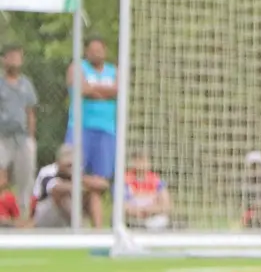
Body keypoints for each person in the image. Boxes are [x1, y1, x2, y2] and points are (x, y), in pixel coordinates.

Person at [66, 36, 116, 226]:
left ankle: (97, 230)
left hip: (106, 131)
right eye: (92, 49)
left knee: (100, 183)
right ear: (86, 52)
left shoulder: (114, 71)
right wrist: (104, 92)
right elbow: (81, 89)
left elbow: (118, 90)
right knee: (70, 174)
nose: (96, 53)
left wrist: (92, 89)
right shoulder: (77, 68)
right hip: (79, 128)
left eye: (99, 49)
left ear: (105, 51)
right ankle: (73, 225)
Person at [28, 143, 105, 228]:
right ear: (58, 162)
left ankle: (98, 233)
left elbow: (103, 185)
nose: (70, 167)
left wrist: (80, 180)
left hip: (67, 212)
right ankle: (79, 228)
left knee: (93, 195)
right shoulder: (47, 171)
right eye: (68, 164)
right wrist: (80, 186)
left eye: (72, 164)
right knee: (62, 195)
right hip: (44, 215)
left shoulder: (79, 172)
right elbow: (55, 189)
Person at [0, 46, 38, 202]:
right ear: (3, 60)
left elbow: (30, 112)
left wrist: (31, 137)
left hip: (23, 138)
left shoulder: (26, 84)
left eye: (17, 56)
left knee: (25, 178)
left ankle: (23, 212)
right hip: (2, 138)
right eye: (11, 56)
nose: (14, 59)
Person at [123, 151, 171, 230]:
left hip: (152, 217)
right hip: (132, 219)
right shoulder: (125, 180)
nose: (142, 164)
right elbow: (122, 206)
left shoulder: (157, 181)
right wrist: (136, 211)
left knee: (161, 220)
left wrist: (149, 210)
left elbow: (166, 205)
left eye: (144, 160)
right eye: (138, 160)